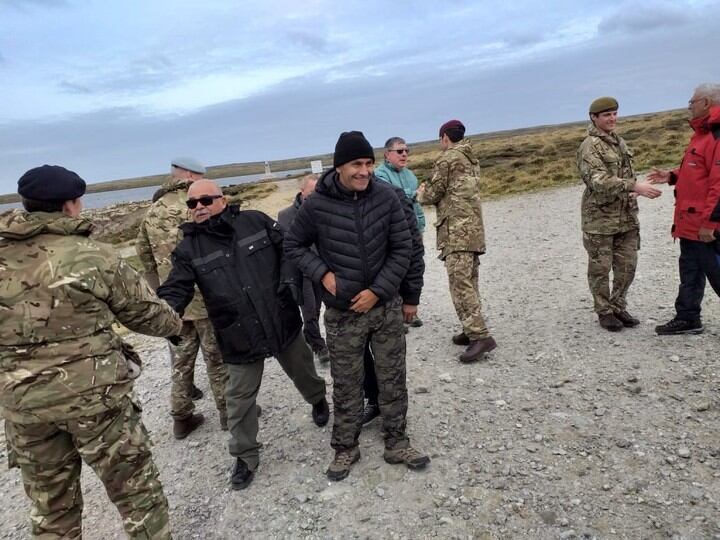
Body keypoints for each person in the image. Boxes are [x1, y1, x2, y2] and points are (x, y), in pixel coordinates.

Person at [0, 165, 183, 539]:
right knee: (137, 495)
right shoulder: (93, 256)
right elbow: (145, 314)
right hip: (97, 403)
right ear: (70, 205)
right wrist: (176, 326)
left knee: (51, 510)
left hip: (24, 407)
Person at [157, 179, 329, 491]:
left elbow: (289, 249)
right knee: (238, 399)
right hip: (237, 331)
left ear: (222, 199)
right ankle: (245, 456)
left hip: (279, 318)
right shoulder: (187, 249)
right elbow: (176, 287)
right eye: (192, 204)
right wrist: (165, 313)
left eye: (206, 200)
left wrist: (290, 284)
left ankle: (318, 400)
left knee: (303, 370)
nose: (199, 208)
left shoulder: (255, 221)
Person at [285, 130, 430, 481]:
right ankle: (345, 447)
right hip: (342, 312)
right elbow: (293, 244)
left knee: (392, 377)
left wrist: (380, 291)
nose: (364, 171)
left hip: (384, 308)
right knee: (347, 382)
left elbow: (404, 249)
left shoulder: (388, 198)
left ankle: (397, 441)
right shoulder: (317, 204)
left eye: (368, 163)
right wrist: (322, 274)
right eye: (356, 164)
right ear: (339, 167)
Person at [136, 157, 228, 439]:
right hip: (206, 296)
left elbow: (143, 254)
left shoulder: (153, 210)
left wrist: (160, 291)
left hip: (174, 302)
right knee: (217, 358)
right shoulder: (200, 204)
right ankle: (228, 412)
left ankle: (182, 417)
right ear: (189, 175)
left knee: (181, 361)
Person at [577, 97, 662, 331]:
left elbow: (623, 173)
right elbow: (598, 181)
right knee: (600, 268)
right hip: (600, 220)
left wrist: (632, 193)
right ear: (594, 117)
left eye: (614, 113)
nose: (612, 118)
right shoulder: (590, 146)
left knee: (627, 266)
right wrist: (634, 186)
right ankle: (604, 311)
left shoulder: (618, 142)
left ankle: (618, 305)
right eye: (606, 115)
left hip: (625, 216)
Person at [418, 120, 496, 363]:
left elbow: (433, 193)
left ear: (444, 137)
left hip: (456, 231)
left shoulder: (448, 158)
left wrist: (421, 193)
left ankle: (479, 336)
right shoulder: (471, 158)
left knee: (460, 283)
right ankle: (469, 327)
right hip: (473, 230)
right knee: (470, 281)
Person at [649, 83, 720, 335]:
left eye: (692, 101)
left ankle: (688, 316)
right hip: (690, 223)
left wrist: (711, 223)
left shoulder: (716, 135)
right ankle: (688, 317)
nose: (689, 106)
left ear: (706, 103)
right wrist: (672, 175)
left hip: (706, 225)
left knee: (716, 272)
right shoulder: (703, 133)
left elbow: (719, 183)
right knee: (690, 270)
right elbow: (698, 170)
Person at [361, 182, 425, 425]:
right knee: (360, 354)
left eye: (367, 163)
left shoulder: (393, 196)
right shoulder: (338, 202)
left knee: (391, 356)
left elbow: (413, 249)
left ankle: (394, 413)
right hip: (355, 298)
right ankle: (374, 399)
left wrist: (411, 297)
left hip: (390, 294)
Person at [278, 173, 330, 363]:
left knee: (319, 308)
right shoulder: (285, 215)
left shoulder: (326, 209)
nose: (316, 194)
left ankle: (312, 337)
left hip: (325, 268)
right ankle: (318, 345)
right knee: (309, 310)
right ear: (302, 191)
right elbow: (288, 246)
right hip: (302, 271)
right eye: (312, 191)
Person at [374, 137, 426, 328]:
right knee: (395, 269)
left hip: (412, 229)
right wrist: (413, 195)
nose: (404, 154)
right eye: (399, 151)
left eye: (406, 150)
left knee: (414, 266)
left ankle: (410, 308)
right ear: (387, 154)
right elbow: (395, 200)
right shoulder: (380, 175)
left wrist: (420, 225)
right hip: (393, 232)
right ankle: (396, 315)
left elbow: (417, 205)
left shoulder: (410, 175)